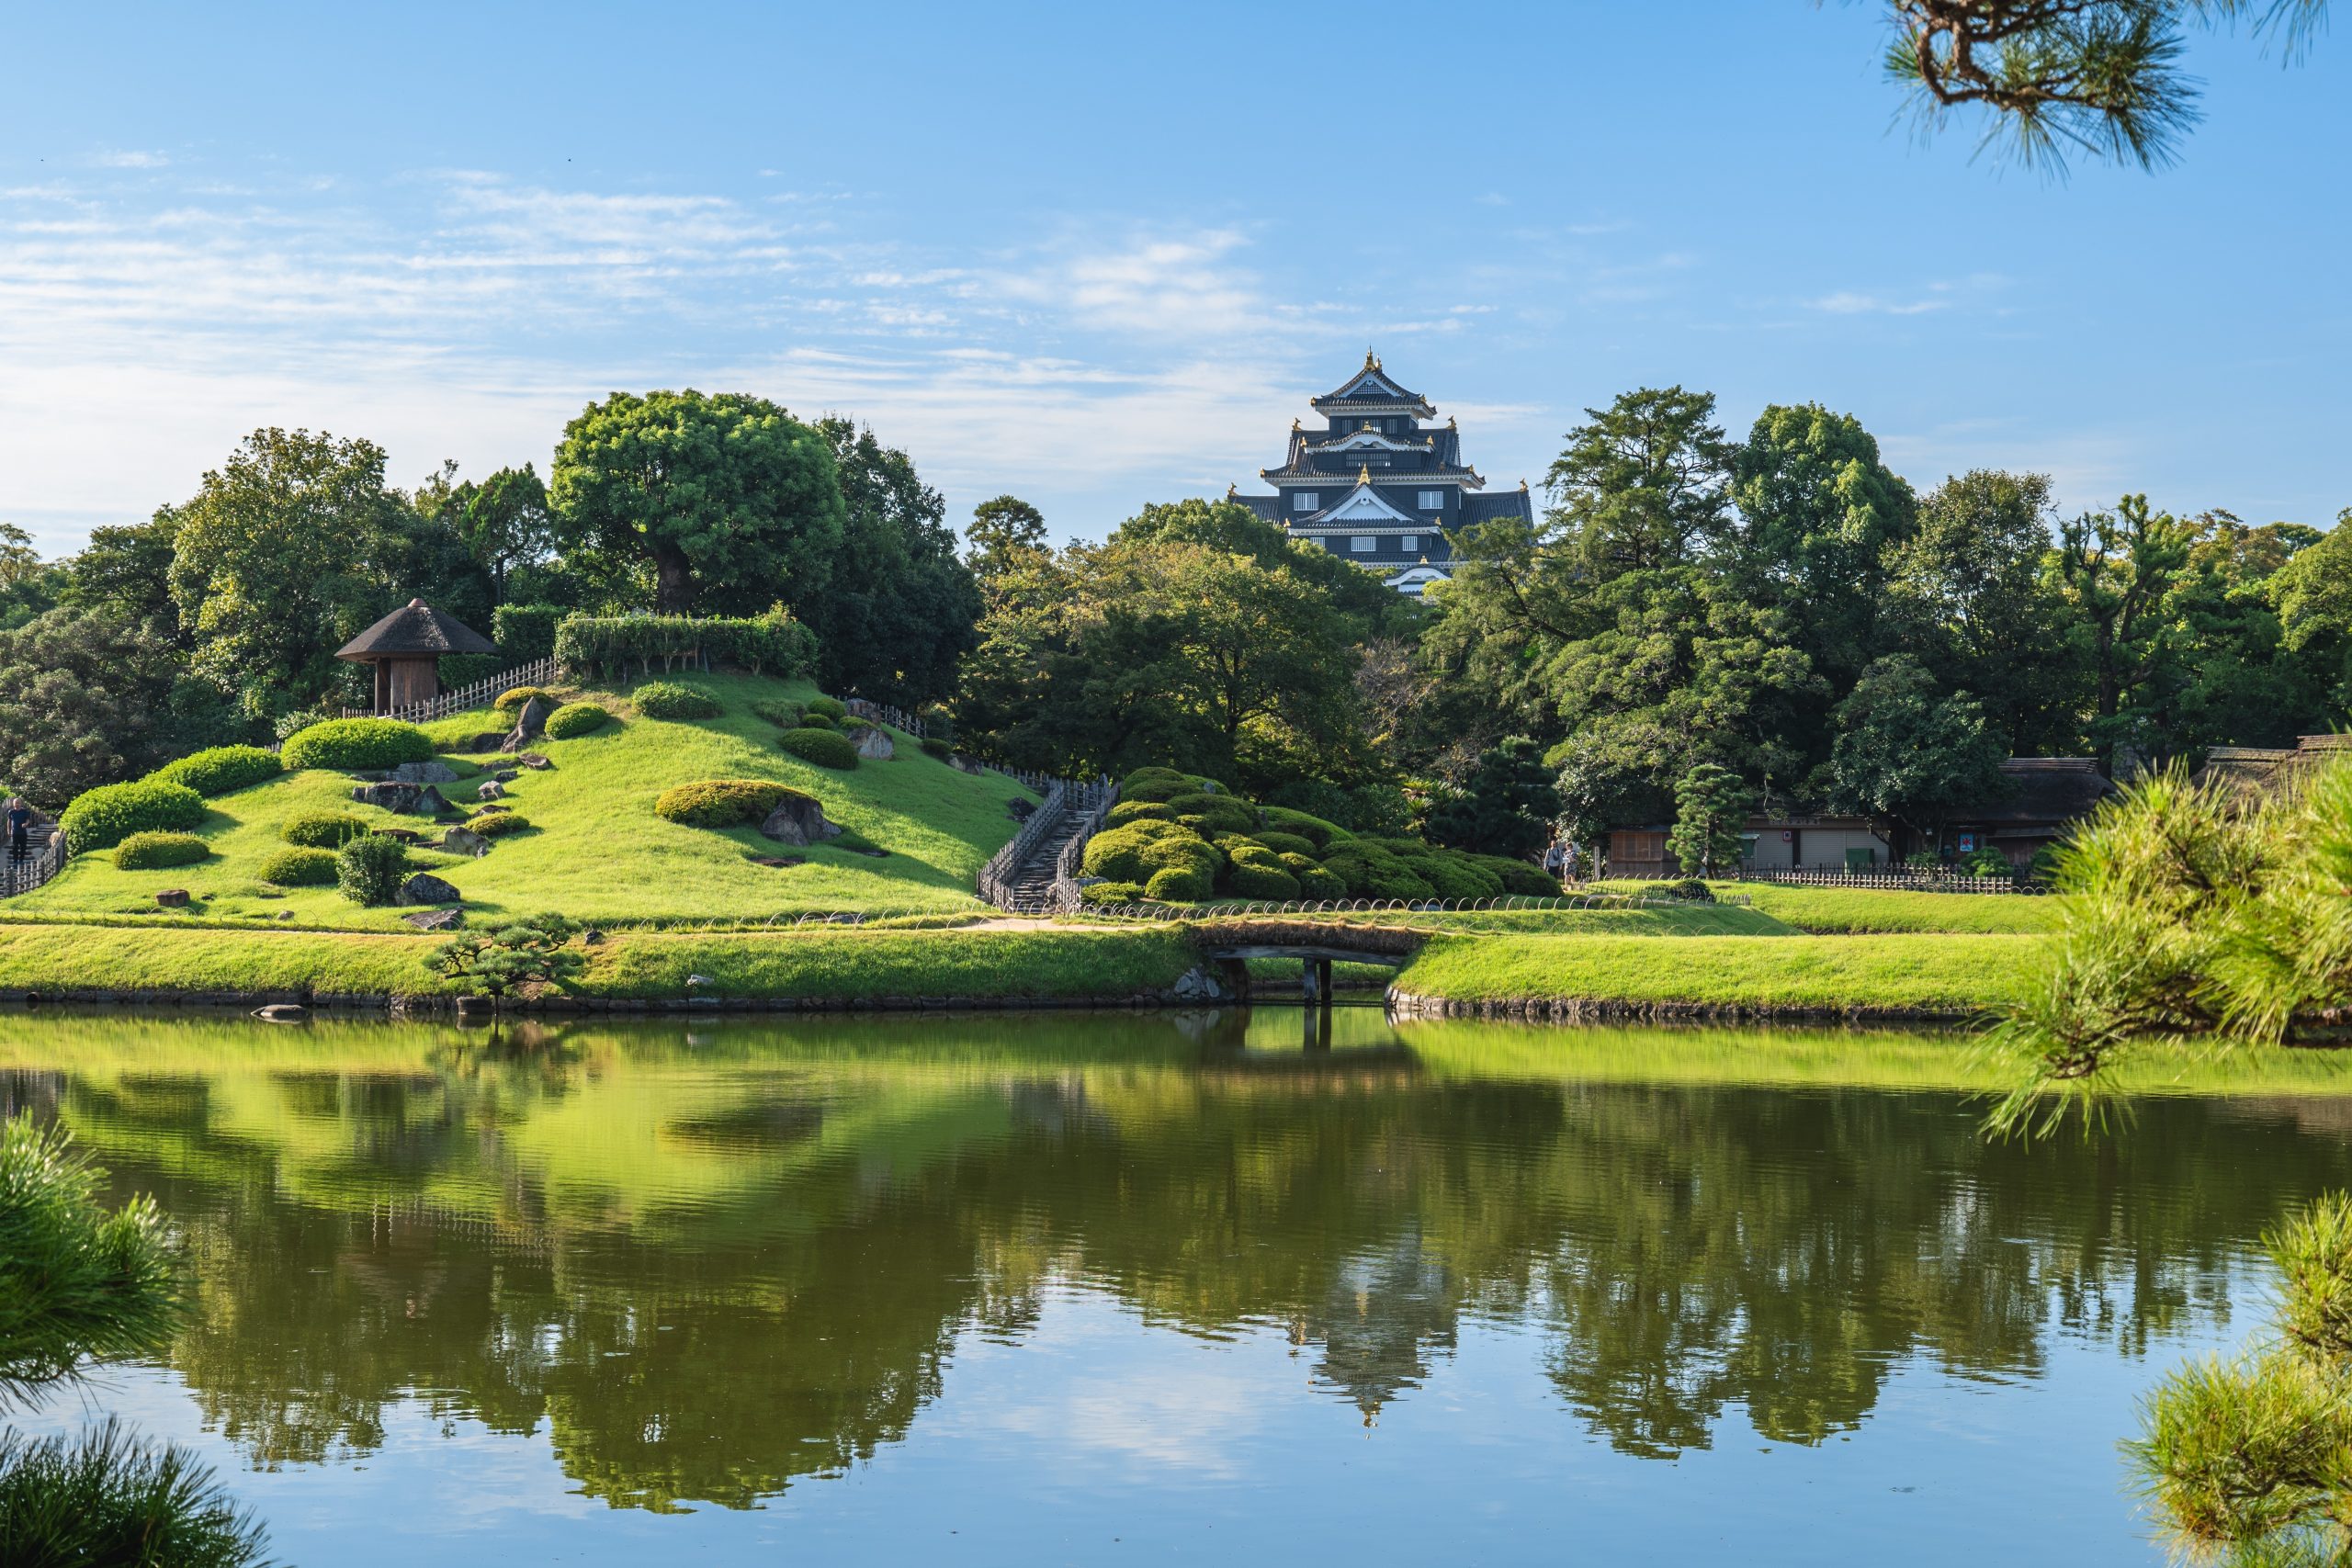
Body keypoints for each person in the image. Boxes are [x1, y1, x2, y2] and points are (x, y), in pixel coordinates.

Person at [5, 796, 30, 864]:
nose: (17, 804)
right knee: (15, 848)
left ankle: (21, 860)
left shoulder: (24, 811)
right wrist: (8, 830)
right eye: (16, 803)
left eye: (18, 803)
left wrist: (26, 824)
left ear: (21, 803)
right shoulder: (11, 812)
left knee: (23, 848)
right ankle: (15, 861)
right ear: (13, 804)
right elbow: (9, 821)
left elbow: (28, 820)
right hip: (14, 833)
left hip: (23, 833)